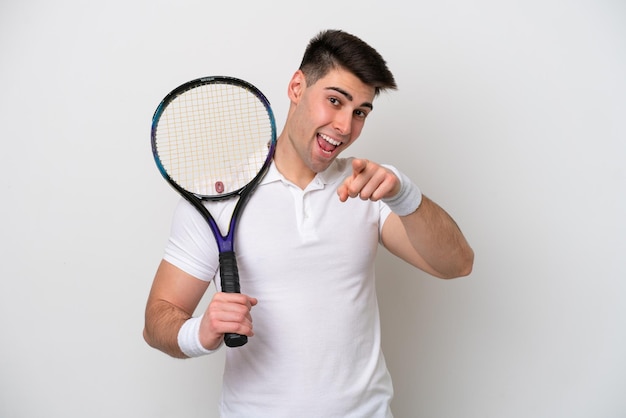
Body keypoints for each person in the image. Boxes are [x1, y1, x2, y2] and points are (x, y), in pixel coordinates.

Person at [143, 29, 474, 418]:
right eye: (334, 101)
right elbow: (157, 320)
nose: (345, 126)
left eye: (360, 113)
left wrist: (404, 195)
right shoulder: (218, 199)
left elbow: (457, 264)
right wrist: (199, 331)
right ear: (297, 87)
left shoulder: (369, 186)